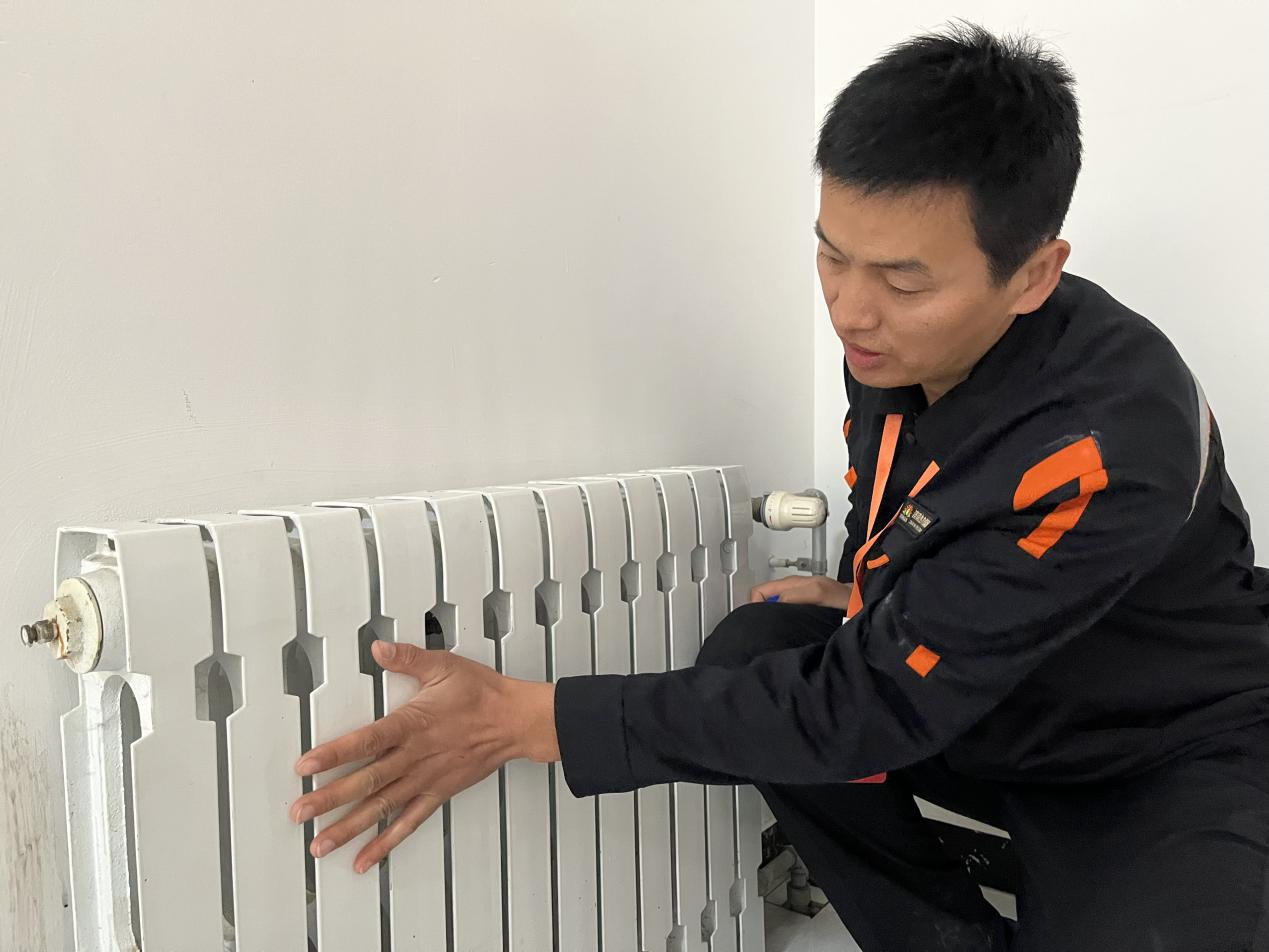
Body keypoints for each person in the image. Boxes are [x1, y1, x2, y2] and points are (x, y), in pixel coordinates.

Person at [286, 23, 1269, 951]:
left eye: (903, 281)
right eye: (832, 255)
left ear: (1033, 275)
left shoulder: (1111, 435)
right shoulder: (894, 349)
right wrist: (872, 593)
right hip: (981, 702)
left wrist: (528, 719)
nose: (850, 309)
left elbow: (869, 702)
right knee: (760, 647)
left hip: (1152, 751)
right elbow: (919, 522)